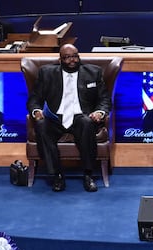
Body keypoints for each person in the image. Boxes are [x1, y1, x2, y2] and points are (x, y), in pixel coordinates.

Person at [27, 44, 110, 192]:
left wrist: (99, 112)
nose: (72, 60)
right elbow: (34, 99)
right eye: (67, 57)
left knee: (87, 123)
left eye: (75, 56)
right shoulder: (46, 73)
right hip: (55, 118)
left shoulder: (93, 72)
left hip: (81, 117)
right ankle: (57, 175)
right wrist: (36, 111)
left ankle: (88, 175)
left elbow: (104, 99)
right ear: (60, 59)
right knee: (41, 126)